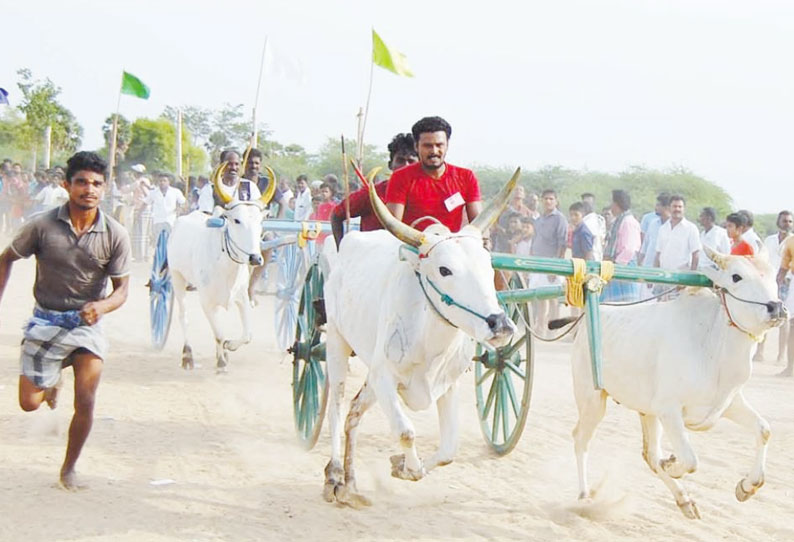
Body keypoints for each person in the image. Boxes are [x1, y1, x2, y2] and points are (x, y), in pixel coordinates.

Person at [0, 151, 131, 489]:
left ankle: (68, 469)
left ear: (104, 188)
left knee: (86, 399)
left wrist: (101, 308)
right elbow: (5, 259)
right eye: (82, 182)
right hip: (45, 321)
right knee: (28, 404)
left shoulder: (115, 233)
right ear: (66, 185)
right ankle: (49, 385)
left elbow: (122, 291)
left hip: (86, 326)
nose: (89, 189)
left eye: (97, 183)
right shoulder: (42, 226)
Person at [385, 116, 482, 231]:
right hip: (412, 246)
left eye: (439, 145)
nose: (434, 151)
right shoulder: (400, 177)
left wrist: (485, 241)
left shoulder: (466, 177)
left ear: (447, 145)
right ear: (416, 146)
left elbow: (478, 223)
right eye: (428, 146)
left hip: (451, 245)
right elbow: (393, 226)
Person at [330, 132, 418, 247]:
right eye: (400, 161)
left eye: (411, 161)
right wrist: (341, 251)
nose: (405, 166)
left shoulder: (428, 196)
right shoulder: (372, 194)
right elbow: (336, 215)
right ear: (391, 165)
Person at [756, 210, 793, 362]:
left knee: (784, 317)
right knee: (766, 315)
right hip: (769, 282)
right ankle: (760, 352)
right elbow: (763, 260)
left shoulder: (792, 240)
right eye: (784, 221)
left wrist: (784, 278)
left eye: (790, 221)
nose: (787, 224)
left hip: (786, 283)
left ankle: (781, 355)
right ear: (779, 222)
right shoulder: (770, 240)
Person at [529, 189, 568, 332]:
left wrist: (555, 268)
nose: (548, 201)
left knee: (553, 299)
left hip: (552, 263)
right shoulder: (539, 219)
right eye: (545, 198)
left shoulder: (560, 219)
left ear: (556, 201)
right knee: (540, 297)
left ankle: (554, 329)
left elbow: (562, 244)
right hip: (538, 262)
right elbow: (535, 240)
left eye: (551, 199)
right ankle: (540, 327)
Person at [601, 189, 642, 302]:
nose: (611, 206)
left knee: (625, 305)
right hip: (615, 266)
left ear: (617, 204)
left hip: (623, 267)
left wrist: (615, 267)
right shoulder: (618, 221)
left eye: (612, 203)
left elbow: (629, 249)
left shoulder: (628, 222)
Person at [655, 195, 701, 271]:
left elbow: (696, 254)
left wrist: (691, 277)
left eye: (680, 207)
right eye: (674, 206)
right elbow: (658, 254)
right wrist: (654, 276)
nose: (677, 209)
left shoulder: (691, 229)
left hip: (682, 277)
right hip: (663, 275)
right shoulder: (663, 228)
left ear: (684, 209)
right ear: (669, 208)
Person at [144, 172, 186, 247]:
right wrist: (138, 213)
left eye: (164, 181)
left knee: (171, 241)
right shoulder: (153, 192)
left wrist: (179, 209)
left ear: (168, 182)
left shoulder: (175, 192)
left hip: (170, 220)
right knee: (157, 243)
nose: (162, 182)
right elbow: (145, 202)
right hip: (158, 220)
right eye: (160, 181)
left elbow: (183, 202)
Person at [638, 193, 671, 267]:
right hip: (648, 266)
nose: (656, 207)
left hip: (664, 269)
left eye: (658, 205)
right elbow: (645, 245)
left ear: (666, 207)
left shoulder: (673, 226)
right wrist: (640, 261)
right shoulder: (653, 223)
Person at [777, 234, 794, 376]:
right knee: (793, 323)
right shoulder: (791, 241)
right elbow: (784, 266)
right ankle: (791, 367)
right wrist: (777, 281)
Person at [130, 164, 152, 261]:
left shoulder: (141, 182)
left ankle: (141, 256)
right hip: (139, 208)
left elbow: (148, 195)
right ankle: (143, 255)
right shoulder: (143, 182)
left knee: (141, 233)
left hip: (143, 209)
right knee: (141, 233)